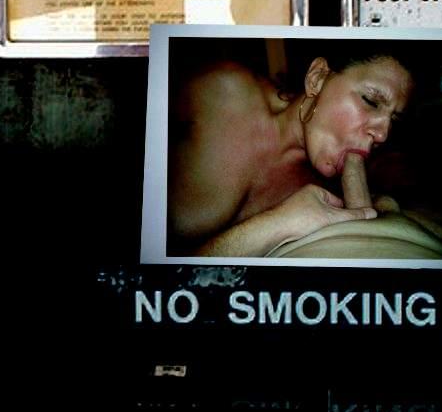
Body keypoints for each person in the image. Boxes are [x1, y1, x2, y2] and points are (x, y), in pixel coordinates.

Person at [168, 42, 416, 257]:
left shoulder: (325, 191)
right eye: (370, 101)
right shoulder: (223, 92)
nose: (383, 134)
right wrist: (279, 222)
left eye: (393, 119)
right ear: (317, 78)